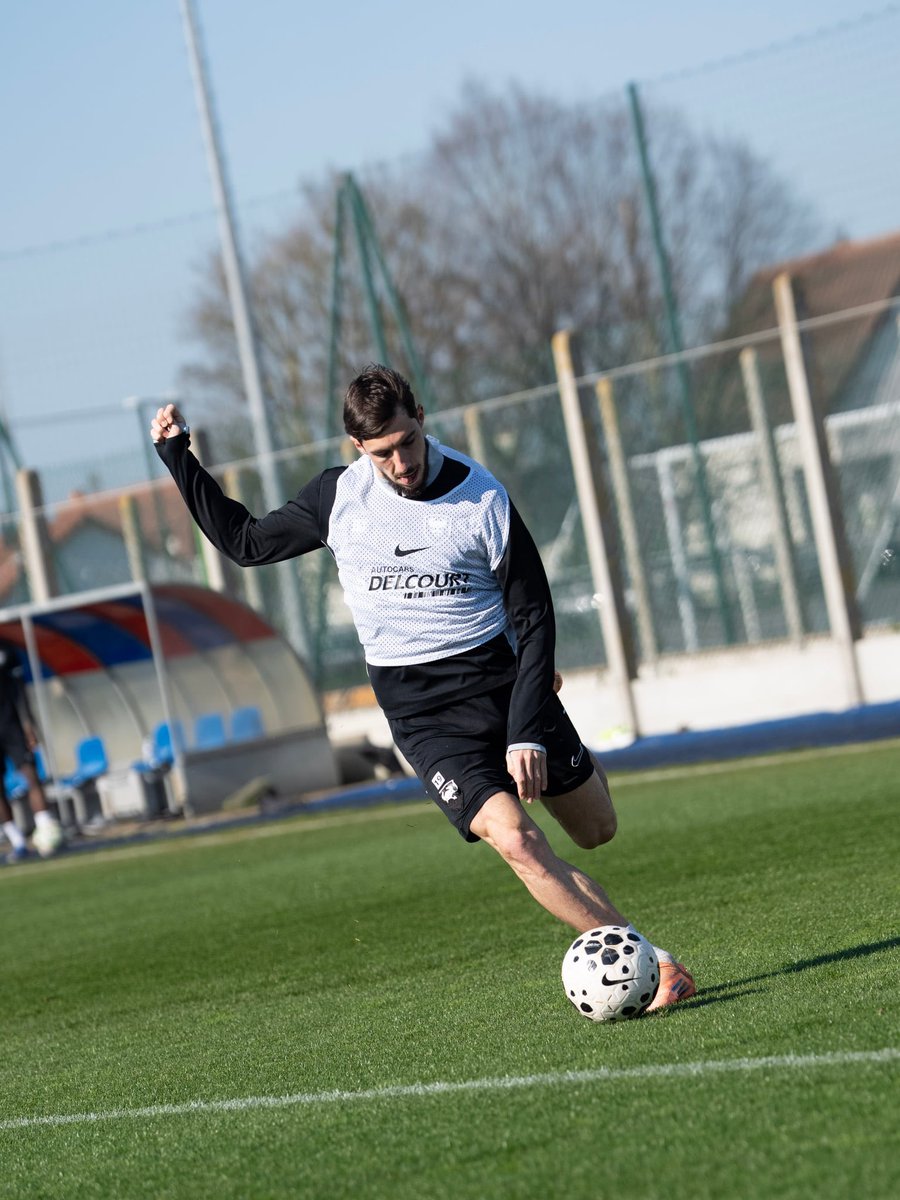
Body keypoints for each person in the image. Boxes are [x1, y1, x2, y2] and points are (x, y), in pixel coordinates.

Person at [151, 365, 695, 1011]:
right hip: (422, 712)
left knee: (596, 830)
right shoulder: (338, 497)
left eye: (407, 441)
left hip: (503, 683)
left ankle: (555, 738)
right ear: (358, 447)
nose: (401, 462)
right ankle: (653, 964)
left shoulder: (481, 498)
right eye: (382, 452)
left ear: (422, 419)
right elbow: (244, 543)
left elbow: (534, 616)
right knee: (516, 840)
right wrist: (178, 457)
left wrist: (527, 726)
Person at [0, 637, 64, 862]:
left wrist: (29, 724)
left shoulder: (5, 649)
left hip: (12, 726)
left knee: (31, 775)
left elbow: (20, 690)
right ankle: (17, 842)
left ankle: (46, 831)